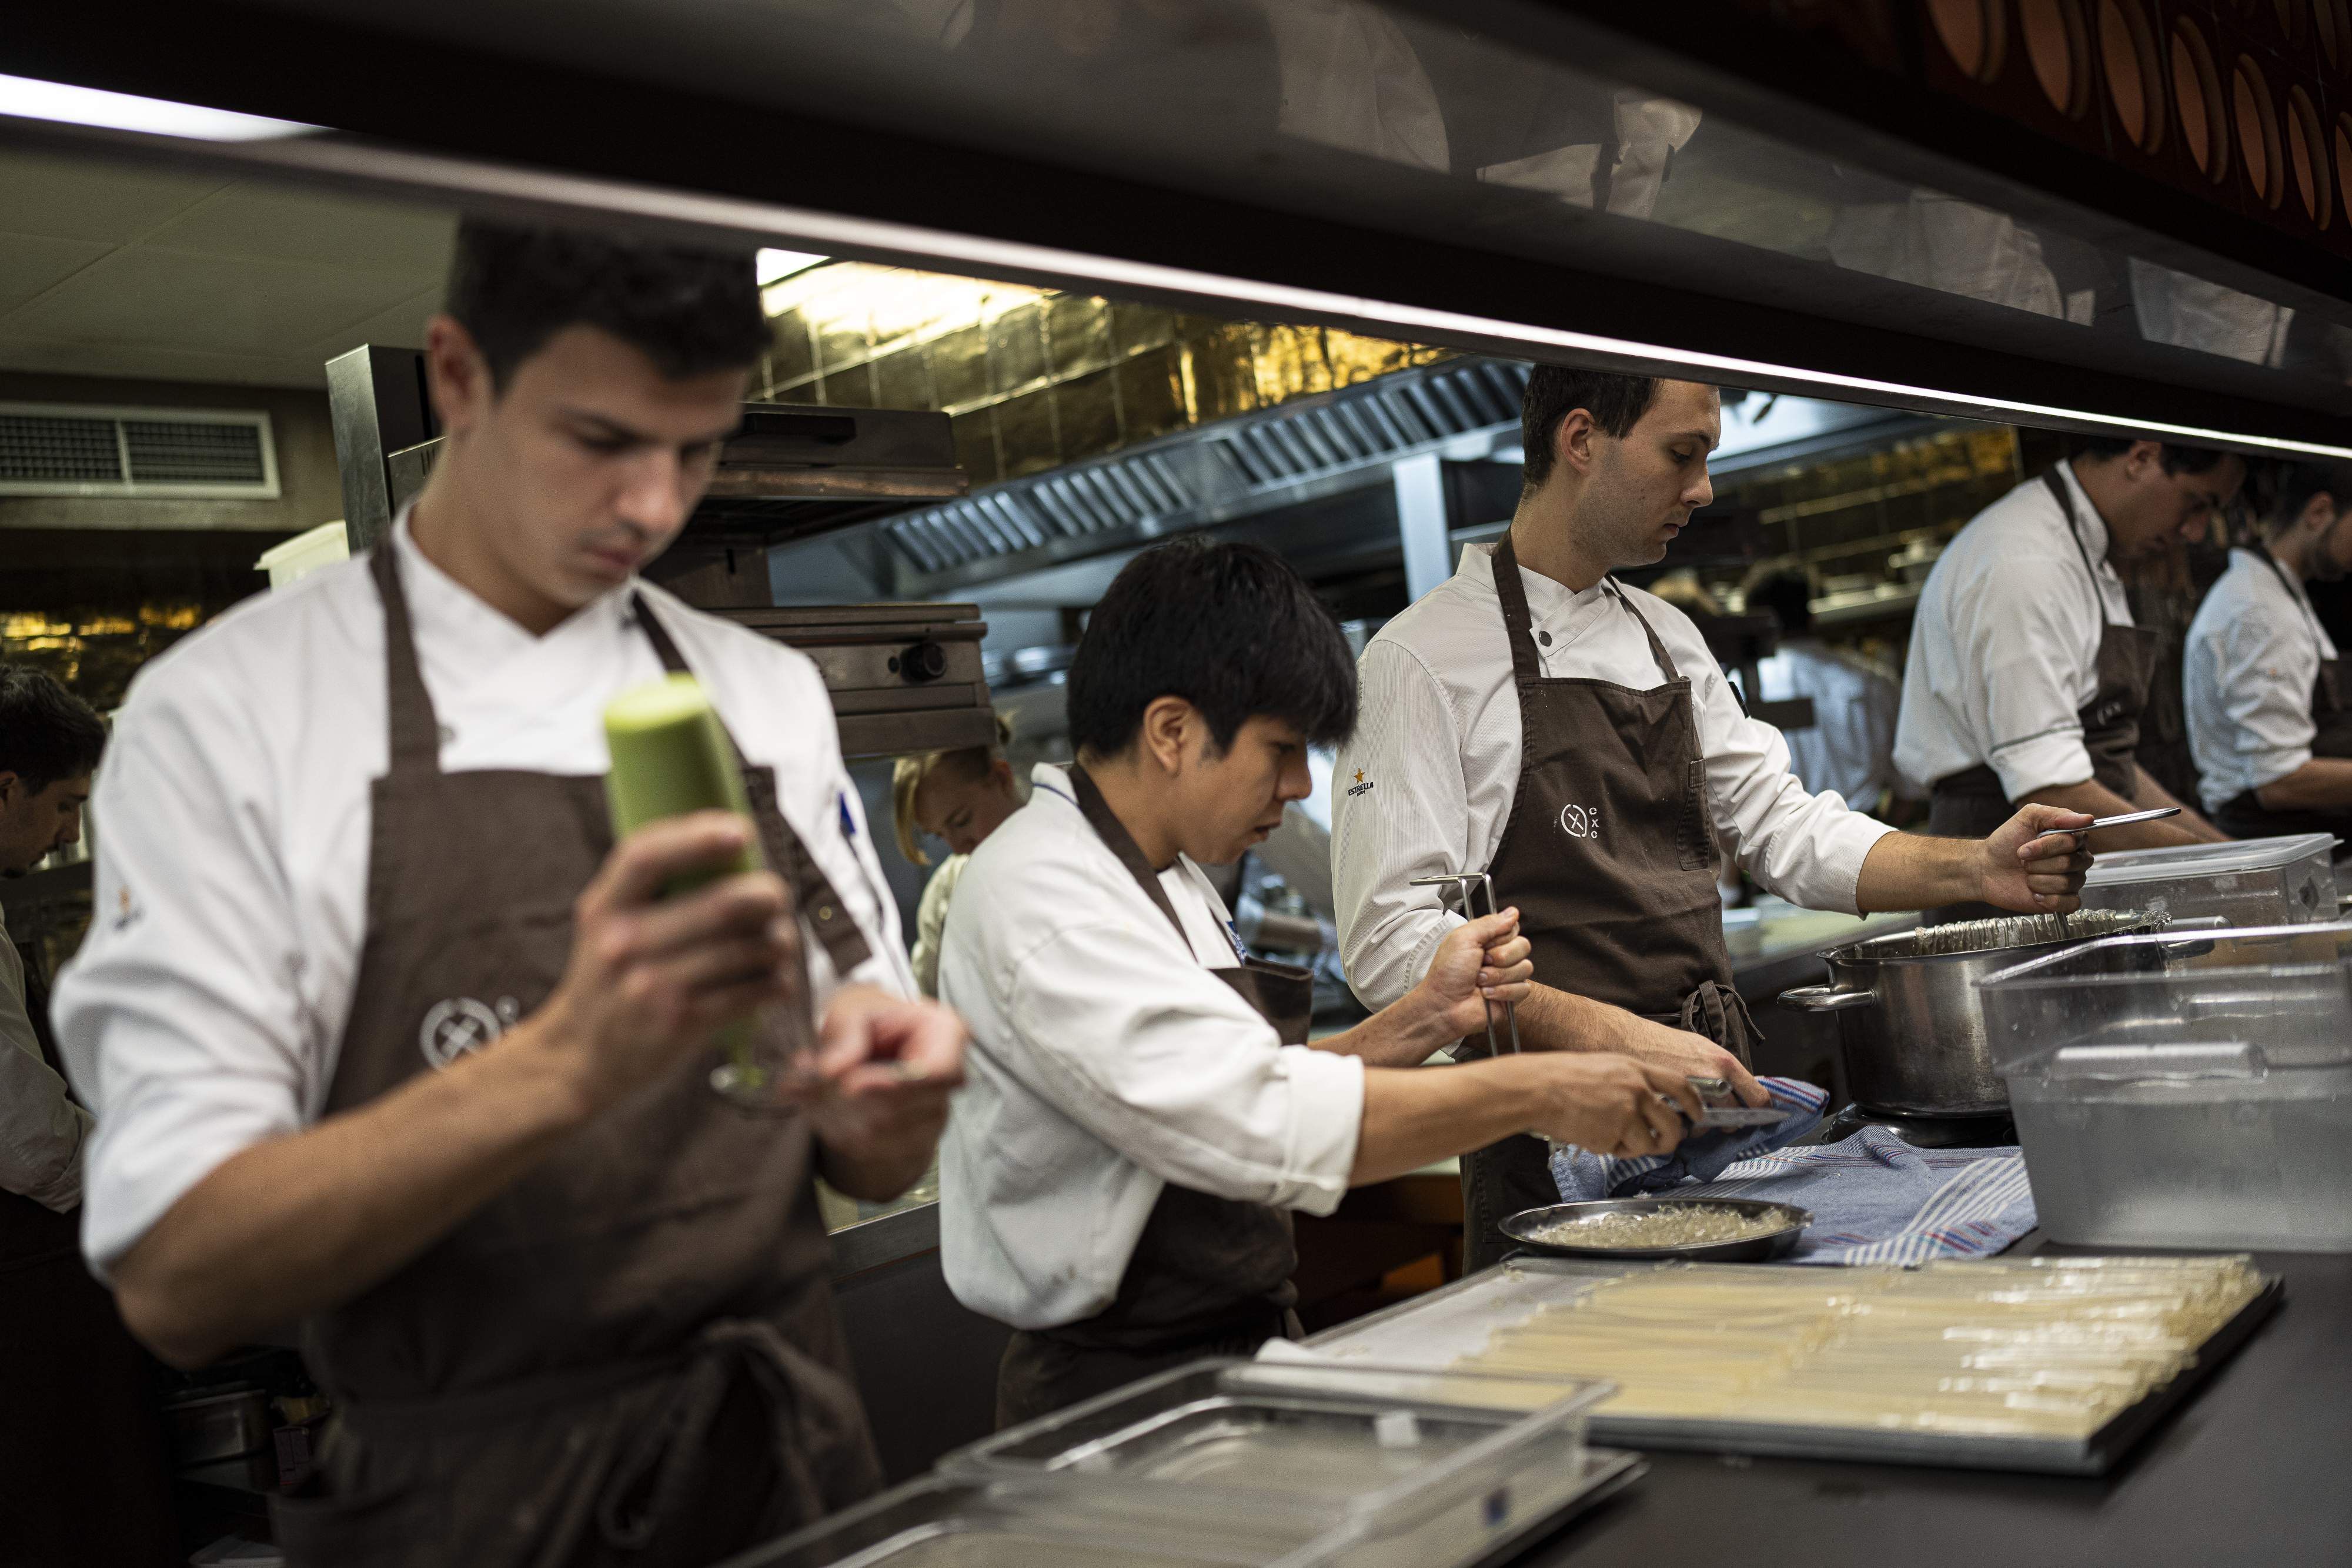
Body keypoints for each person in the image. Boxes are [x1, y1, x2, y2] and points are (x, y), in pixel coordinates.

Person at [54, 221, 965, 1568]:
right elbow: (181, 1277)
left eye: (694, 445)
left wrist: (890, 1104)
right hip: (471, 1514)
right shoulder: (231, 720)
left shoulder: (757, 693)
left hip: (788, 1478)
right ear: (463, 378)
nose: (652, 507)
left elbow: (869, 1146)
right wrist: (566, 1062)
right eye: (599, 438)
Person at [1335, 366, 2097, 1268]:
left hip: (1718, 1121)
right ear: (1581, 441)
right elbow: (1389, 941)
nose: (1702, 488)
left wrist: (1975, 869)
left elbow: (1780, 825)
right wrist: (1612, 1032)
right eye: (1681, 454)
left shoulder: (1668, 637)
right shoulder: (1423, 659)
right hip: (1554, 1145)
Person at [938, 537, 1709, 1425]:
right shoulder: (1048, 895)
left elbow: (1234, 1082)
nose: (1299, 784)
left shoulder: (1171, 876)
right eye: (1281, 749)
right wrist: (1542, 1083)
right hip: (1117, 1388)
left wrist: (1424, 1018)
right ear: (1172, 731)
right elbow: (1258, 1122)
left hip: (1232, 1341)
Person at [0, 666, 179, 1568]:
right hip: (24, 1281)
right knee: (79, 1511)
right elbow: (19, 1129)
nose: (72, 830)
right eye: (65, 803)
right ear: (6, 787)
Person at [1896, 435, 2245, 871]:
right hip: (2005, 869)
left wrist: (2230, 851)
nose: (2194, 531)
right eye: (2196, 503)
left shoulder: (2086, 551)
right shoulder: (2027, 563)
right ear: (2142, 457)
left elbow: (2109, 766)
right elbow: (2052, 791)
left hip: (2069, 860)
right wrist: (2218, 868)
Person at [2184, 460, 2352, 840]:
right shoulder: (2259, 612)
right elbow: (2279, 780)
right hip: (2272, 838)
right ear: (2320, 512)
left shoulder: (2280, 593)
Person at [1748, 570, 1923, 820]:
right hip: (1867, 835)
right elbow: (1910, 785)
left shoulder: (1741, 688)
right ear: (1813, 617)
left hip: (1782, 843)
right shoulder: (1874, 681)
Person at [893, 713, 1021, 997]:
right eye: (940, 835)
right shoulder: (945, 893)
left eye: (961, 821)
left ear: (1002, 778)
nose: (958, 848)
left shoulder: (1076, 848)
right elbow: (927, 998)